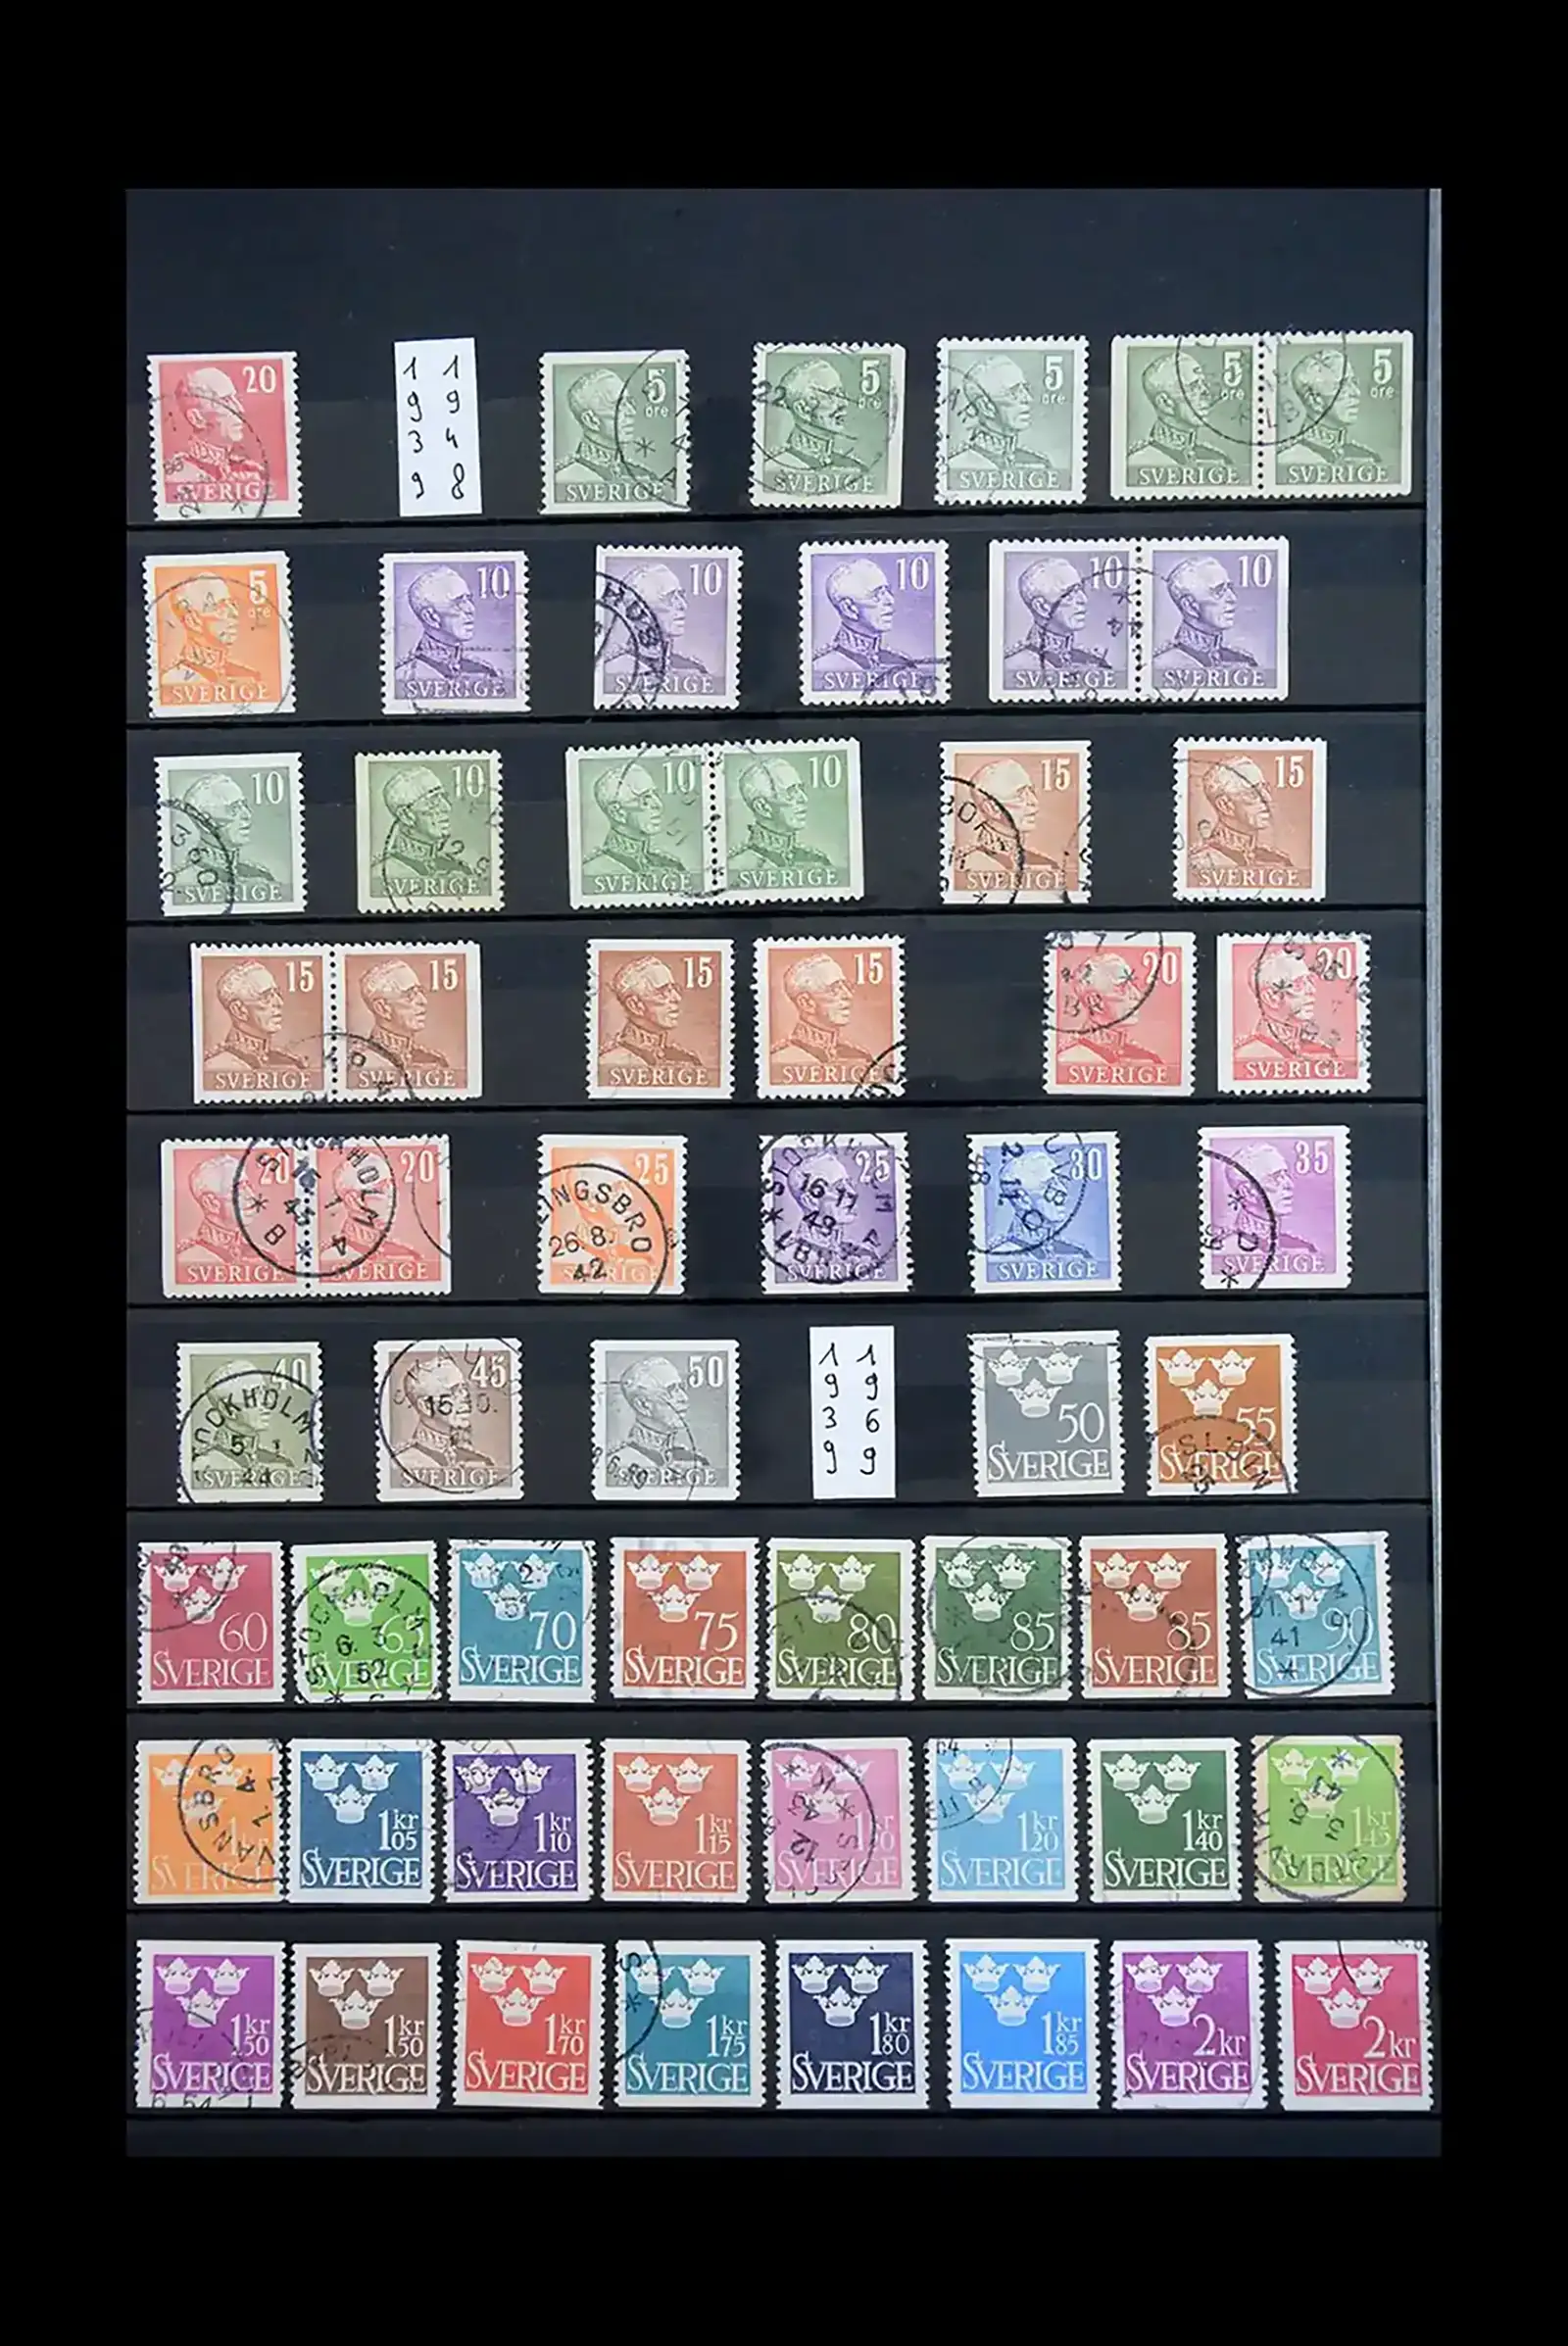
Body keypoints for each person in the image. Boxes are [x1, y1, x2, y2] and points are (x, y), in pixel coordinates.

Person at [811, 557, 936, 696]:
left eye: (887, 591)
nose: (890, 600)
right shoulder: (819, 666)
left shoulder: (902, 664)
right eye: (876, 595)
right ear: (848, 608)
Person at [1186, 755, 1303, 891]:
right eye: (1253, 793)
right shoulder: (1201, 863)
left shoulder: (1278, 862)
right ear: (1225, 805)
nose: (1267, 799)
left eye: (1265, 788)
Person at [956, 757, 1070, 894]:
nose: (1034, 803)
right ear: (991, 808)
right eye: (1020, 794)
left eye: (1031, 791)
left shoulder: (1047, 866)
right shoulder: (968, 864)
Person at [581, 759, 697, 893]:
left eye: (655, 794)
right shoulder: (593, 869)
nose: (658, 805)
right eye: (645, 799)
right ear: (617, 812)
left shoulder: (671, 866)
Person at [1003, 557, 1115, 691]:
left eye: (1080, 589)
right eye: (1069, 594)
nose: (1083, 599)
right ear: (1042, 607)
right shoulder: (1012, 665)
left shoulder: (1095, 662)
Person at [377, 765, 490, 899]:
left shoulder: (456, 867)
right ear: (406, 815)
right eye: (433, 801)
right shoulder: (385, 872)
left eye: (443, 797)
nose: (446, 807)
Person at [948, 352, 1059, 485]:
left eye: (1025, 388)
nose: (1028, 398)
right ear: (985, 406)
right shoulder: (954, 467)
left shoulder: (1039, 465)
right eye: (1014, 392)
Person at [600, 562, 711, 695]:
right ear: (639, 609)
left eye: (681, 595)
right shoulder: (614, 669)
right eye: (669, 598)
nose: (683, 605)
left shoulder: (693, 669)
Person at [389, 1352, 496, 1489]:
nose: (465, 1397)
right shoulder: (400, 1464)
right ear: (426, 1406)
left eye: (464, 1388)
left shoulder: (480, 1463)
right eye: (454, 1391)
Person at [727, 757, 838, 890]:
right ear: (762, 807)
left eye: (800, 788)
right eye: (791, 792)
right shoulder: (736, 866)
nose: (804, 798)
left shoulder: (817, 861)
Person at [605, 1353, 712, 1488]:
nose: (684, 1398)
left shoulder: (695, 1461)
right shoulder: (616, 1463)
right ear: (643, 1405)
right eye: (671, 1390)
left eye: (681, 1388)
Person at [393, 565, 503, 698]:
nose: (471, 609)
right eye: (458, 602)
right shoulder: (403, 677)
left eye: (468, 599)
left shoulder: (484, 671)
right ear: (430, 617)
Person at [761, 355, 864, 492]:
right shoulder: (774, 470)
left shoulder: (855, 469)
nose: (844, 403)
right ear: (802, 409)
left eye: (841, 393)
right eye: (832, 395)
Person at [163, 366, 268, 501]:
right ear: (197, 418)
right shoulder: (177, 476)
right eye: (225, 401)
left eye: (235, 399)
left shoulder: (251, 472)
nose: (240, 409)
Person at [1152, 554, 1259, 684]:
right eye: (1219, 591)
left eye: (1229, 588)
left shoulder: (1243, 662)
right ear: (1189, 605)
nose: (1232, 598)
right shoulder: (1162, 664)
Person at [1124, 350, 1235, 474]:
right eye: (1193, 387)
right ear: (1165, 403)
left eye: (1203, 383)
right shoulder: (1137, 462)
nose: (1206, 393)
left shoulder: (1219, 460)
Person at [768, 953, 873, 1086]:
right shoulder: (778, 1059)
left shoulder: (859, 1056)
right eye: (834, 989)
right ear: (806, 1003)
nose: (848, 995)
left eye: (846, 986)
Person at [170, 772, 279, 898]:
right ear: (204, 822)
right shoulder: (182, 881)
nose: (247, 815)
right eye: (233, 809)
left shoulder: (260, 876)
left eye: (244, 805)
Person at [1054, 951, 1166, 1074]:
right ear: (1095, 1001)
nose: (1137, 995)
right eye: (1123, 987)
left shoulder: (1148, 1059)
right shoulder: (1070, 1059)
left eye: (1132, 984)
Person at [202, 960, 308, 1087]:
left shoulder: (287, 1062)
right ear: (238, 1010)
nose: (279, 1003)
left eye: (277, 993)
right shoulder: (219, 1066)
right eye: (266, 997)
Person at [600, 955, 707, 1082]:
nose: (677, 998)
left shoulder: (688, 1061)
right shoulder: (608, 1063)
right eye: (663, 992)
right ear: (635, 1005)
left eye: (674, 989)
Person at [1232, 948, 1340, 1071]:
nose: (1312, 990)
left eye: (1310, 981)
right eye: (1298, 984)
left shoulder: (1323, 1053)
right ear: (1271, 997)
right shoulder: (1247, 1056)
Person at [159, 573, 263, 698]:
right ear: (192, 621)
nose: (234, 614)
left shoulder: (249, 677)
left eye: (232, 604)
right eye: (220, 607)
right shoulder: (172, 681)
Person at [990, 1147, 1096, 1269]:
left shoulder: (1078, 1255)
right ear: (1023, 1199)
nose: (1063, 1190)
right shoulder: (999, 1258)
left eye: (1060, 1181)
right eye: (1050, 1185)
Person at [1282, 346, 1385, 470]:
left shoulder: (1367, 458)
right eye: (1342, 386)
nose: (1356, 393)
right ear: (1314, 399)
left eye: (1354, 382)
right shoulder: (1290, 460)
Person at [553, 366, 645, 499]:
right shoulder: (563, 478)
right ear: (590, 420)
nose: (632, 412)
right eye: (618, 405)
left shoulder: (644, 475)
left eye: (629, 402)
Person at [356, 959, 453, 1080]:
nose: (423, 1001)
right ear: (382, 1008)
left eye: (420, 991)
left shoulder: (434, 1062)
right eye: (410, 995)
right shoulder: (361, 1062)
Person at [176, 1153, 269, 1276]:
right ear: (210, 1203)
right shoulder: (187, 1259)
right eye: (237, 1189)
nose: (251, 1195)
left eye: (248, 1185)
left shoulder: (264, 1257)